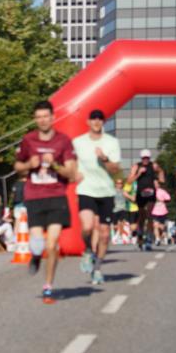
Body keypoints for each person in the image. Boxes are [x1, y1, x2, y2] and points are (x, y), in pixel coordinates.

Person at [13, 100, 79, 303]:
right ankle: (34, 254)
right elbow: (17, 166)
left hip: (56, 196)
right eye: (38, 117)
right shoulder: (28, 140)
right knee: (37, 243)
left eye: (45, 116)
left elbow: (72, 173)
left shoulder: (63, 141)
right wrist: (27, 165)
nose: (42, 120)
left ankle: (48, 286)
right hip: (34, 196)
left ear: (52, 117)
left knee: (52, 246)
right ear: (35, 119)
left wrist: (56, 165)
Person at [72, 108, 122, 285]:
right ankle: (87, 251)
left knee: (104, 234)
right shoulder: (78, 142)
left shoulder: (112, 142)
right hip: (86, 189)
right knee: (87, 226)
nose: (96, 121)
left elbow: (116, 170)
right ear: (88, 122)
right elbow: (71, 164)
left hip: (106, 191)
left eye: (100, 118)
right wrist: (73, 175)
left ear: (104, 122)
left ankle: (98, 268)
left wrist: (105, 159)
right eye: (93, 118)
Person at [126, 149, 166, 251]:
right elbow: (129, 181)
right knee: (141, 217)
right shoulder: (136, 166)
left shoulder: (153, 165)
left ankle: (148, 239)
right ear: (141, 158)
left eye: (147, 158)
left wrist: (161, 179)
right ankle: (140, 236)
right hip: (140, 195)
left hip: (151, 194)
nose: (145, 160)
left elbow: (161, 171)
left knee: (150, 216)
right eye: (144, 158)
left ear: (149, 158)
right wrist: (138, 174)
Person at [151, 180, 171, 246]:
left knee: (162, 227)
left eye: (156, 184)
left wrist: (161, 200)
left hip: (163, 211)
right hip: (154, 211)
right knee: (155, 225)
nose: (155, 185)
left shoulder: (162, 191)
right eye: (154, 184)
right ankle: (157, 239)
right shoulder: (150, 191)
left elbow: (168, 198)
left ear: (159, 185)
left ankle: (165, 236)